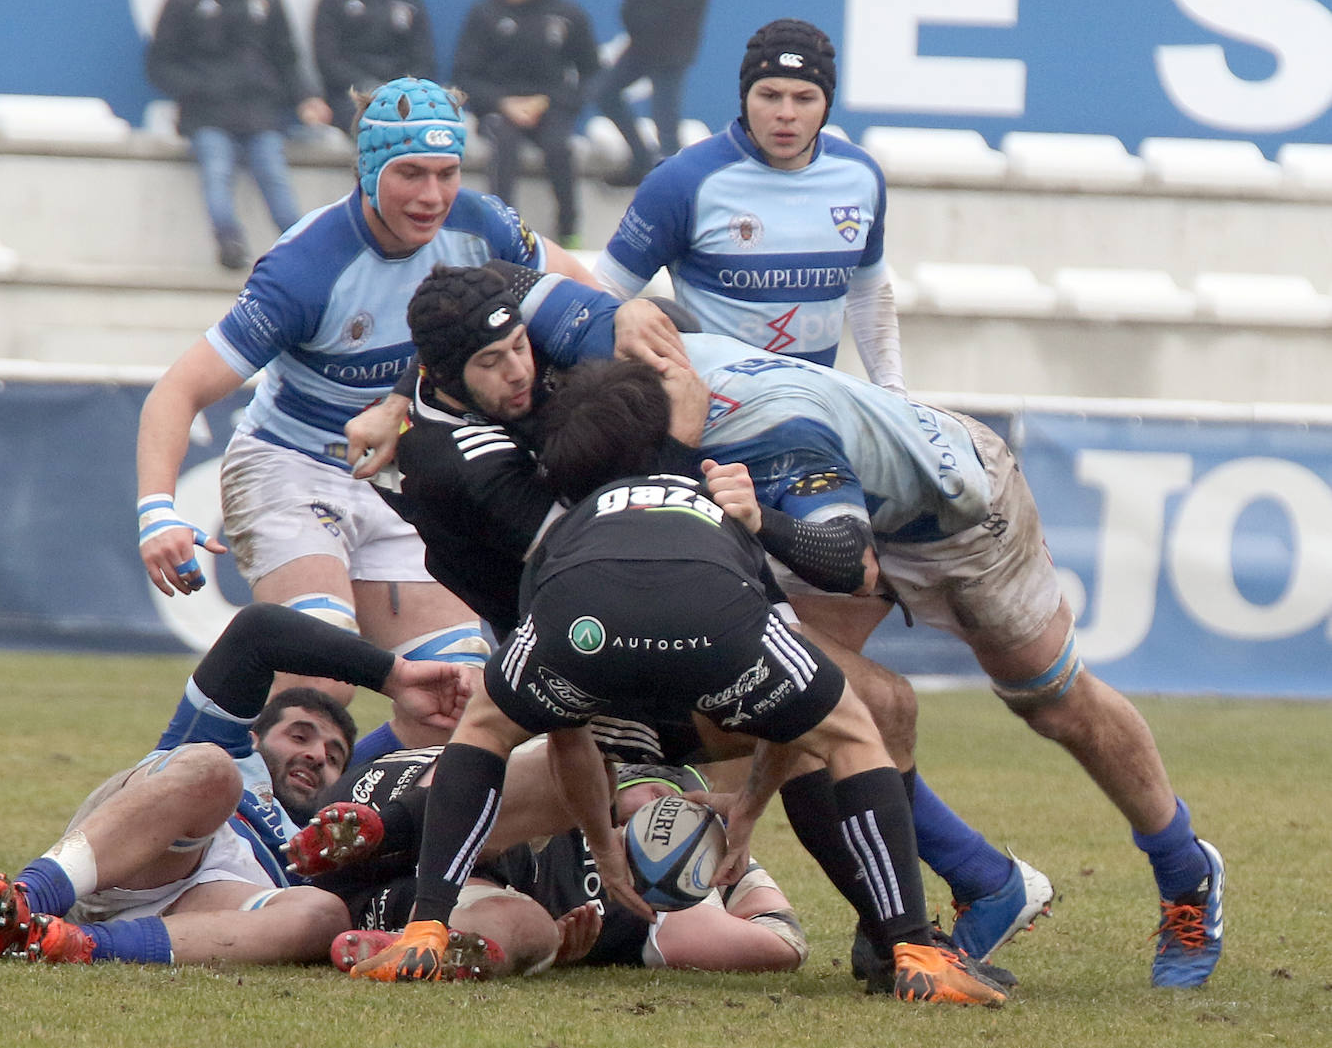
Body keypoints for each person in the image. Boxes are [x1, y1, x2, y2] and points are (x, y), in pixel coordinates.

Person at [345, 262, 1051, 981]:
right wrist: (696, 458)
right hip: (599, 623)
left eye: (521, 345)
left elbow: (499, 285)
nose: (520, 370)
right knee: (854, 718)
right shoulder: (457, 458)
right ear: (446, 371)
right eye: (491, 363)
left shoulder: (480, 380)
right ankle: (907, 938)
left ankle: (404, 889)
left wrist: (612, 315)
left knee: (497, 731)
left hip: (568, 626)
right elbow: (615, 536)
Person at [517, 282, 1228, 990]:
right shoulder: (624, 361)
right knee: (809, 697)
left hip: (958, 514)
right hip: (823, 510)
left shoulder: (769, 436)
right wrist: (620, 300)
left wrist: (762, 523)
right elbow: (507, 271)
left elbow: (850, 565)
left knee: (1054, 704)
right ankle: (972, 888)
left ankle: (1185, 870)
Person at [135, 76, 658, 706]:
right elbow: (179, 389)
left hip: (398, 479)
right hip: (290, 468)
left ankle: (363, 806)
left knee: (456, 696)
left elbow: (583, 297)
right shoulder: (306, 268)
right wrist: (157, 512)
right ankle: (223, 781)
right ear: (367, 167)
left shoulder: (481, 224)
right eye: (411, 173)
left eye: (447, 172)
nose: (432, 195)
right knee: (320, 681)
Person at [0, 603, 467, 966]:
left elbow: (425, 750)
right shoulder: (224, 744)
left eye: (334, 756)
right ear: (254, 732)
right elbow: (258, 630)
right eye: (299, 734)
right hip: (132, 853)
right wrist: (395, 676)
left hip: (201, 912)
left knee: (322, 913)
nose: (316, 753)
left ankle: (67, 942)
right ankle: (26, 898)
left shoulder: (326, 829)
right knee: (212, 770)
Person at [593, 17, 904, 392]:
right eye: (770, 95)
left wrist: (894, 395)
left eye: (804, 98)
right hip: (714, 421)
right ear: (745, 97)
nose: (786, 113)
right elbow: (603, 293)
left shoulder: (860, 177)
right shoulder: (681, 181)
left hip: (817, 413)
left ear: (827, 105)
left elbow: (870, 293)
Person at [312, 760, 807, 975]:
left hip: (415, 895)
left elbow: (783, 946)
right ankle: (393, 829)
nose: (660, 803)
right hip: (414, 804)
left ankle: (423, 950)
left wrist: (731, 867)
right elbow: (781, 938)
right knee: (549, 782)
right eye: (664, 791)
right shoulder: (578, 778)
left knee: (532, 930)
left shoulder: (672, 900)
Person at [146, 0, 332, 270]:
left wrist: (307, 98)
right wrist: (198, 88)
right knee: (216, 170)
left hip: (260, 115)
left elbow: (287, 57)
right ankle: (229, 241)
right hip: (208, 115)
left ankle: (298, 247)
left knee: (274, 175)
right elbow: (160, 63)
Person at [452, 0, 599, 247]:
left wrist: (551, 102)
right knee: (503, 144)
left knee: (560, 147)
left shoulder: (567, 16)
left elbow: (591, 73)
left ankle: (569, 231)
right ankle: (500, 231)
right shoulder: (484, 15)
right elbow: (464, 76)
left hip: (548, 109)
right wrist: (504, 103)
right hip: (498, 110)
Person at [597, 0, 722, 186]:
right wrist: (636, 17)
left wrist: (654, 23)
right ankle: (642, 160)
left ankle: (670, 186)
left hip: (670, 38)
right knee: (604, 92)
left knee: (665, 118)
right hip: (647, 36)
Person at [313, 0, 436, 133]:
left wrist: (401, 91)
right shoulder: (334, 0)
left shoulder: (410, 3)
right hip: (353, 99)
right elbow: (328, 60)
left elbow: (424, 62)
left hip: (405, 100)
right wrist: (370, 88)